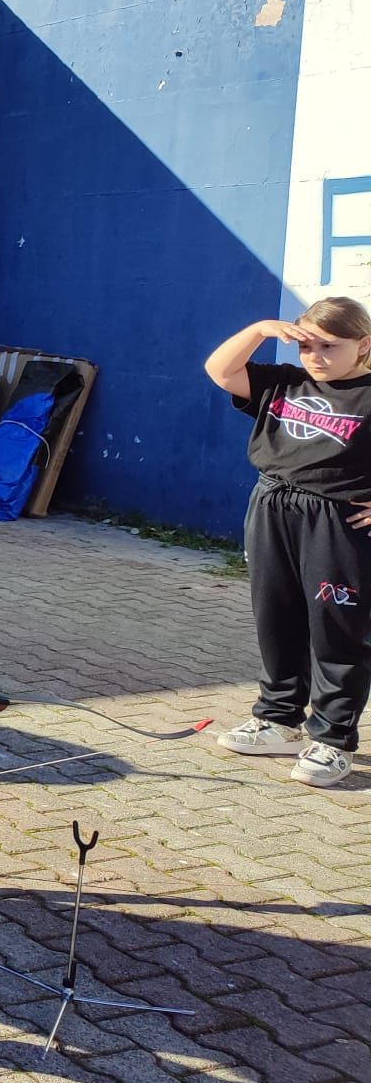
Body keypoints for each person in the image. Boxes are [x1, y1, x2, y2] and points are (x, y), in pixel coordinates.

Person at [204, 296, 371, 789]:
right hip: (274, 505)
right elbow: (220, 369)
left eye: (329, 346)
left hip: (339, 521)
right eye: (306, 345)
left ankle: (333, 739)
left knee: (338, 628)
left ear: (363, 344)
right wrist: (259, 329)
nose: (315, 355)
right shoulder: (284, 381)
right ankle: (279, 719)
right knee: (276, 616)